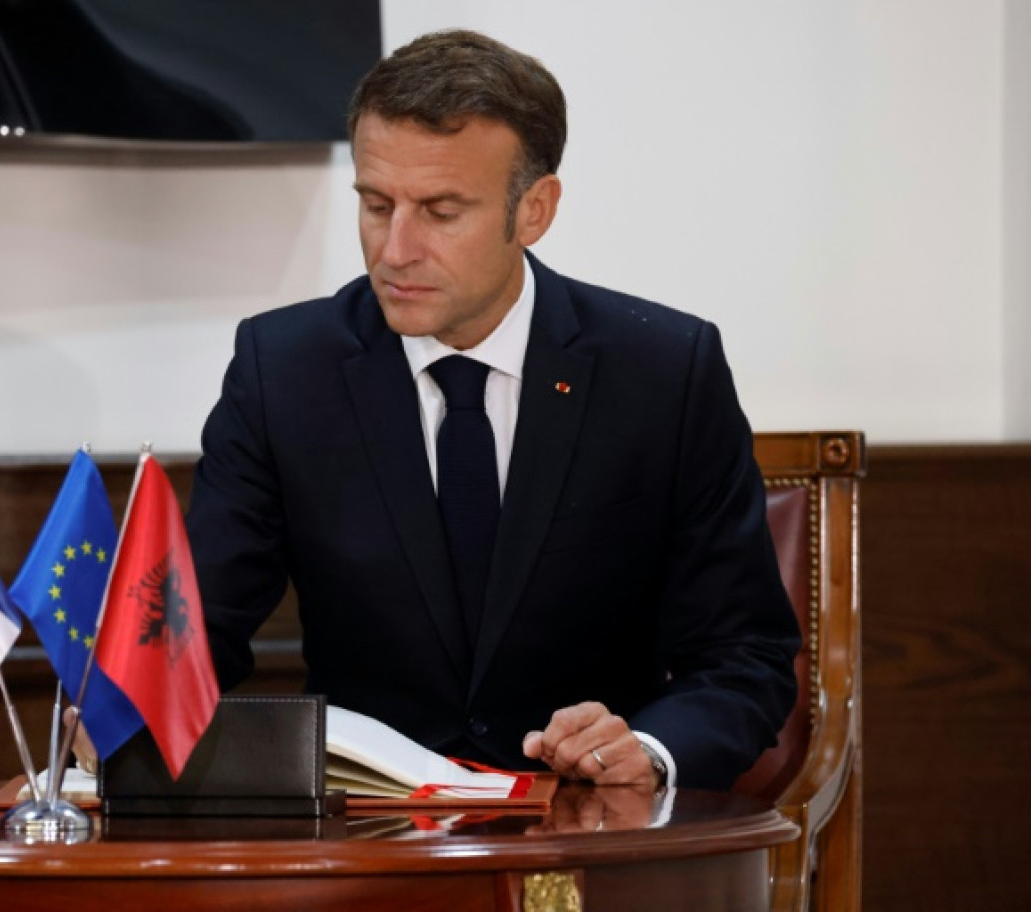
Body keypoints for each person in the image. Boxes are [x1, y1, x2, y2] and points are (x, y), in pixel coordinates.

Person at [185, 29, 799, 792]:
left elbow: (747, 656)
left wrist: (648, 746)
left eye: (441, 212)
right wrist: (117, 717)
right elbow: (193, 633)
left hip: (586, 830)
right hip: (368, 841)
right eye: (376, 205)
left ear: (533, 211)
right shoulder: (283, 369)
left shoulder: (664, 371)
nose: (394, 249)